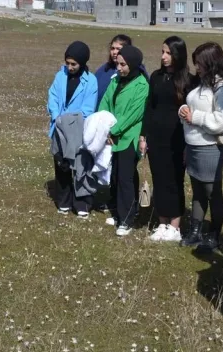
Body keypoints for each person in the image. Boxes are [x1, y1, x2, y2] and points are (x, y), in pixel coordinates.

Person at [178, 42, 223, 251]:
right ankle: (195, 231)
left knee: (212, 191)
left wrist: (194, 116)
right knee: (197, 190)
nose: (197, 67)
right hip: (193, 144)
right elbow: (193, 107)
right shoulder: (203, 83)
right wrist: (185, 111)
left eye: (200, 63)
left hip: (210, 147)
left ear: (211, 63)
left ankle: (214, 235)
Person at [140, 36, 192, 242]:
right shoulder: (155, 77)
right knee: (159, 179)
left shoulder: (188, 80)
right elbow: (149, 107)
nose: (164, 57)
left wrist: (189, 144)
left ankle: (175, 226)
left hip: (178, 139)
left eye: (169, 53)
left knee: (174, 180)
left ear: (178, 55)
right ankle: (162, 222)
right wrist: (144, 136)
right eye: (163, 52)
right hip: (156, 137)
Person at [98, 45, 149, 236]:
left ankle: (127, 218)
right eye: (117, 64)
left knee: (125, 177)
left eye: (123, 65)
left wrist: (114, 131)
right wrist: (104, 125)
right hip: (113, 135)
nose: (119, 68)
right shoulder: (116, 80)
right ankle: (120, 212)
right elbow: (106, 102)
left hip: (128, 137)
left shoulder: (142, 85)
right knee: (115, 175)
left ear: (133, 64)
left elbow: (133, 115)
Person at [47, 41, 98, 218]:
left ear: (82, 63)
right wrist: (56, 116)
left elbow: (88, 109)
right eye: (67, 63)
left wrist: (67, 121)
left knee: (80, 167)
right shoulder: (59, 76)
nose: (69, 67)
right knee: (61, 165)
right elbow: (52, 96)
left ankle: (82, 203)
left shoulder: (91, 81)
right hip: (58, 129)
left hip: (78, 130)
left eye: (73, 64)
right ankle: (64, 202)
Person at [94, 34, 149, 108]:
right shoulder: (104, 70)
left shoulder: (137, 73)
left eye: (118, 49)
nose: (114, 52)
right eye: (112, 48)